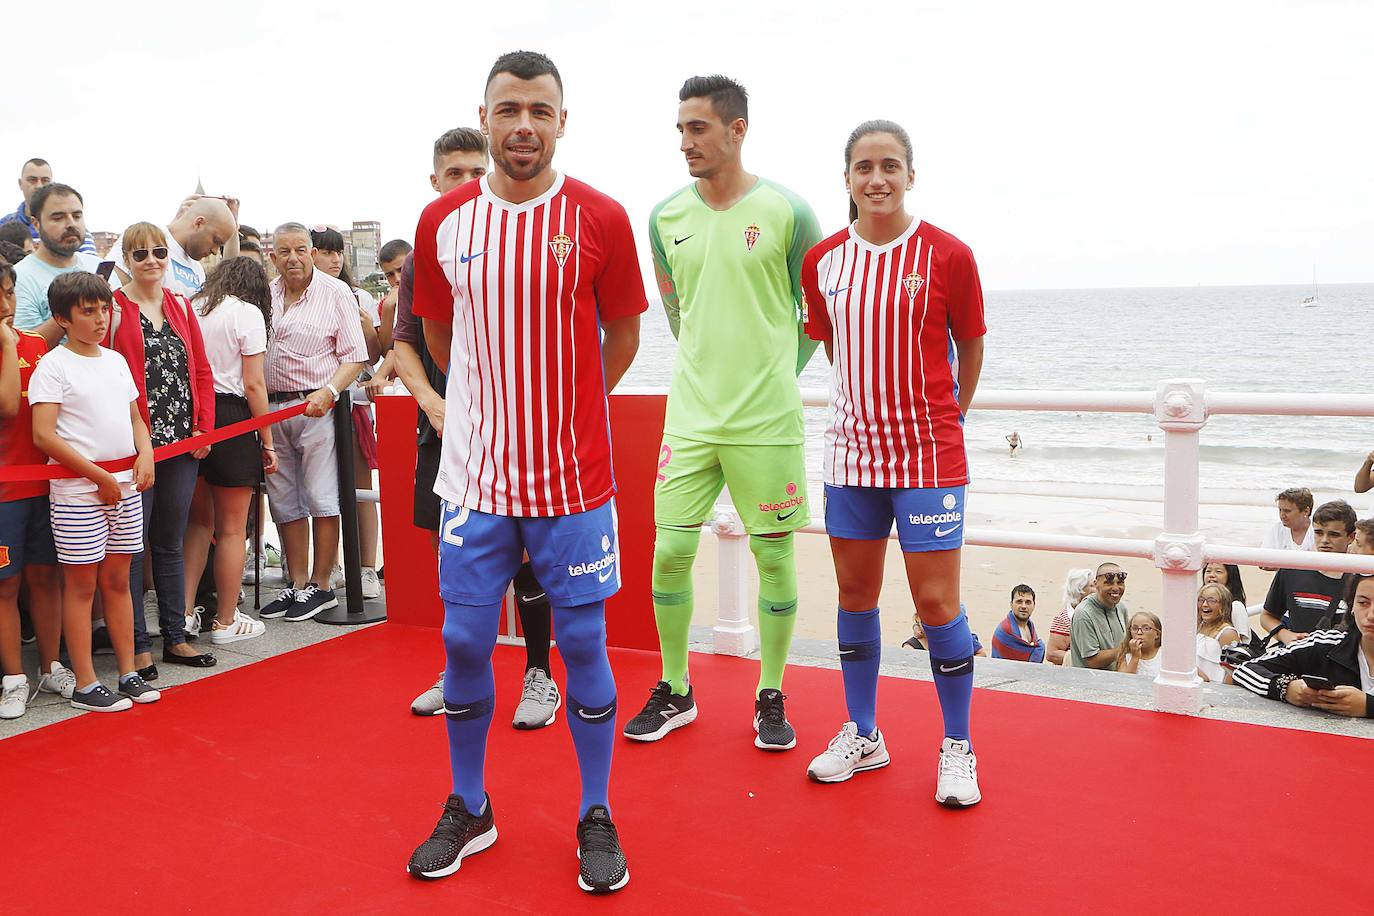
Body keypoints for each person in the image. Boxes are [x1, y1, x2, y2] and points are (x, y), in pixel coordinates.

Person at [406, 51, 645, 892]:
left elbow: (620, 339)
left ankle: (595, 813)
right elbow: (438, 342)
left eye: (540, 111)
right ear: (485, 115)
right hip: (474, 478)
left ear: (562, 120)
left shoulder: (601, 219)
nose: (523, 127)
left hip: (574, 481)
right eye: (508, 110)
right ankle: (470, 805)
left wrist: (562, 411)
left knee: (581, 643)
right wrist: (492, 417)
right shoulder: (444, 224)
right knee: (465, 641)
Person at [626, 74, 821, 751]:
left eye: (698, 128)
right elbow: (678, 311)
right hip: (691, 415)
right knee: (670, 552)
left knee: (773, 557)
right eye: (680, 128)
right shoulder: (664, 217)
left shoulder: (789, 210)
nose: (685, 142)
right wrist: (714, 371)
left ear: (737, 130)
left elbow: (815, 315)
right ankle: (676, 688)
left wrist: (772, 373)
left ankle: (770, 692)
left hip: (766, 420)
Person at [798, 119, 986, 807]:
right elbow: (831, 346)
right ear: (846, 178)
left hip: (929, 455)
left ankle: (958, 745)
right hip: (850, 454)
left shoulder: (948, 255)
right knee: (855, 598)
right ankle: (864, 733)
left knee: (937, 603)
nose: (877, 178)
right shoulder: (822, 261)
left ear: (911, 174)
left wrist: (946, 418)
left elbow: (969, 347)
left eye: (890, 165)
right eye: (863, 167)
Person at [388, 129, 560, 728]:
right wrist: (435, 404)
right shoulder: (422, 254)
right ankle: (461, 671)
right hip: (447, 437)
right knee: (457, 567)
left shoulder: (521, 240)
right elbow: (403, 345)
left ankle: (539, 675)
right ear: (435, 182)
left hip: (524, 437)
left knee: (530, 564)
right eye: (452, 174)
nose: (464, 183)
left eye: (472, 171)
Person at [28, 271, 158, 711]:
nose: (101, 318)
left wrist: (146, 455)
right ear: (62, 318)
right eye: (88, 311)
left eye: (104, 309)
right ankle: (84, 681)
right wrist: (98, 477)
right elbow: (44, 436)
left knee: (119, 583)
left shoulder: (116, 361)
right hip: (76, 492)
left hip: (125, 486)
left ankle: (128, 672)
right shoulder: (53, 365)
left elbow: (136, 418)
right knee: (81, 587)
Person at [103, 223, 218, 676]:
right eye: (139, 254)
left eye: (157, 251)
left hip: (182, 443)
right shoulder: (113, 309)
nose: (151, 260)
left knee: (169, 542)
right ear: (125, 260)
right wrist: (136, 442)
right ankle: (136, 646)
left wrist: (203, 429)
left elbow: (202, 372)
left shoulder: (181, 306)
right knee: (132, 548)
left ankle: (176, 637)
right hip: (135, 447)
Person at [255, 223, 367, 623]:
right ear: (273, 256)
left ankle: (322, 585)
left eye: (301, 250)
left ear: (312, 251)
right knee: (284, 499)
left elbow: (354, 356)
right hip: (272, 409)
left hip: (316, 406)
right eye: (284, 251)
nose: (293, 259)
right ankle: (297, 582)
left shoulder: (335, 292)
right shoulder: (266, 296)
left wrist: (330, 392)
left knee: (322, 496)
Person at [181, 257, 276, 646]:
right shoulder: (247, 313)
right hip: (234, 416)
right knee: (233, 527)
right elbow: (253, 384)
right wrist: (267, 441)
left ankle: (183, 614)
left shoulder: (193, 304)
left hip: (193, 416)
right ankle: (225, 620)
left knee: (198, 523)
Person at [0, 258, 68, 718]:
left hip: (45, 488)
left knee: (46, 577)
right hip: (4, 495)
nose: (5, 304)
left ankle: (51, 665)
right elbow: (7, 407)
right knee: (6, 586)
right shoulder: (14, 344)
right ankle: (13, 677)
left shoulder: (36, 347)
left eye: (9, 292)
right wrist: (6, 345)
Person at [309, 226, 384, 599]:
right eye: (325, 251)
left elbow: (372, 357)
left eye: (338, 252)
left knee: (359, 485)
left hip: (351, 404)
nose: (334, 259)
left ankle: (367, 567)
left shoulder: (360, 297)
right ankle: (329, 564)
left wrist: (367, 327)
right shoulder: (300, 298)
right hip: (313, 407)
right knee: (319, 491)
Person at [1233, 573, 1374, 718]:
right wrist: (1286, 688)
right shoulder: (1327, 644)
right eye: (1363, 603)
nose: (1371, 615)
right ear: (1351, 606)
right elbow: (1244, 670)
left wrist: (1368, 705)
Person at [12, 183, 99, 344]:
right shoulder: (17, 278)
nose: (71, 223)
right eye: (58, 218)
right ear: (36, 224)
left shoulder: (98, 267)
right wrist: (72, 307)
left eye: (77, 216)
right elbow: (25, 348)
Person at [1260, 499, 1354, 645]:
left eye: (1333, 535)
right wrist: (1284, 635)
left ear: (1351, 537)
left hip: (1341, 662)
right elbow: (1267, 615)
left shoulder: (1360, 578)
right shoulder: (1292, 568)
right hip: (1296, 658)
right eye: (1318, 533)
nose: (1324, 540)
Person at [108, 197, 238, 298]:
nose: (215, 251)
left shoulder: (198, 270)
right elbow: (111, 289)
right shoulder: (145, 237)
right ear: (199, 223)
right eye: (216, 241)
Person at [0, 158, 97, 255]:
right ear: (20, 184)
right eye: (32, 180)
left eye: (45, 180)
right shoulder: (3, 226)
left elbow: (91, 267)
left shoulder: (75, 232)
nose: (39, 185)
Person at [1070, 563, 1130, 669]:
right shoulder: (1084, 614)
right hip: (1091, 684)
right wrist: (1125, 649)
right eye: (1109, 583)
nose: (1116, 588)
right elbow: (1093, 661)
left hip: (1117, 681)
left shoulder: (1121, 608)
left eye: (1120, 583)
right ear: (1096, 584)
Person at [1259, 487, 1314, 571]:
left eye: (1287, 511)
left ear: (1306, 511)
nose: (1282, 515)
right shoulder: (1277, 529)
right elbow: (1262, 562)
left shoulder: (1317, 531)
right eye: (1280, 510)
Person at [1194, 583, 1239, 683]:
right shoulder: (1198, 627)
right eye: (1201, 600)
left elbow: (1232, 672)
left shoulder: (1228, 633)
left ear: (1223, 605)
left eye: (1211, 600)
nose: (1205, 604)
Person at [1048, 567, 1093, 665]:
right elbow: (1052, 654)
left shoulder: (1095, 614)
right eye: (1092, 586)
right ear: (1079, 589)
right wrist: (1087, 660)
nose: (1097, 589)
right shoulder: (1063, 619)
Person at [991, 584, 1045, 662]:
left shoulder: (1031, 626)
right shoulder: (1005, 630)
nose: (1023, 606)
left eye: (1028, 602)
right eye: (1019, 601)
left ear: (1034, 605)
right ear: (1011, 604)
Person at [1201, 562, 1250, 639]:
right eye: (1208, 571)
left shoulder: (1236, 606)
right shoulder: (1200, 604)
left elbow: (1241, 642)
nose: (1211, 575)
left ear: (1230, 576)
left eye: (1218, 571)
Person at [1115, 611, 1162, 678]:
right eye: (1135, 628)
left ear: (1157, 634)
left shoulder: (1164, 654)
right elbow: (1124, 682)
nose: (1139, 632)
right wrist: (1135, 658)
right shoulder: (1126, 654)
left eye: (1146, 628)